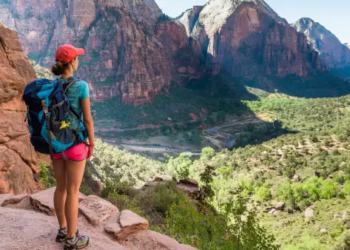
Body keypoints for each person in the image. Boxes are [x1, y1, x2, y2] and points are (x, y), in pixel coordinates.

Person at [51, 44, 94, 250]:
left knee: (60, 188)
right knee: (73, 191)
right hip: (76, 145)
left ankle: (62, 230)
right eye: (77, 57)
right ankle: (71, 240)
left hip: (56, 143)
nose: (79, 59)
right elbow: (87, 120)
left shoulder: (51, 85)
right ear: (72, 62)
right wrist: (91, 143)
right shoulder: (81, 86)